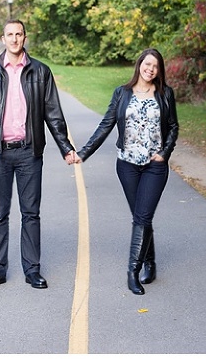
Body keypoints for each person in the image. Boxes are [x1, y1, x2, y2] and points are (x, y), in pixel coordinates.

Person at [0, 19, 78, 290]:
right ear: (3, 38)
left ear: (24, 37)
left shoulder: (40, 72)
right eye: (9, 34)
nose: (14, 39)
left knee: (31, 213)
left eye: (18, 34)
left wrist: (65, 147)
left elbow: (53, 113)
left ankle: (32, 270)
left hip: (29, 152)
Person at [75, 48, 179, 295]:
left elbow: (173, 126)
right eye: (147, 64)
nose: (150, 69)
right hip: (127, 165)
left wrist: (165, 153)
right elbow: (106, 125)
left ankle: (133, 272)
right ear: (139, 64)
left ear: (159, 70)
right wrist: (83, 153)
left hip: (155, 166)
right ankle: (150, 262)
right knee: (142, 215)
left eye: (155, 66)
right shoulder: (122, 93)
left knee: (141, 217)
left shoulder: (165, 94)